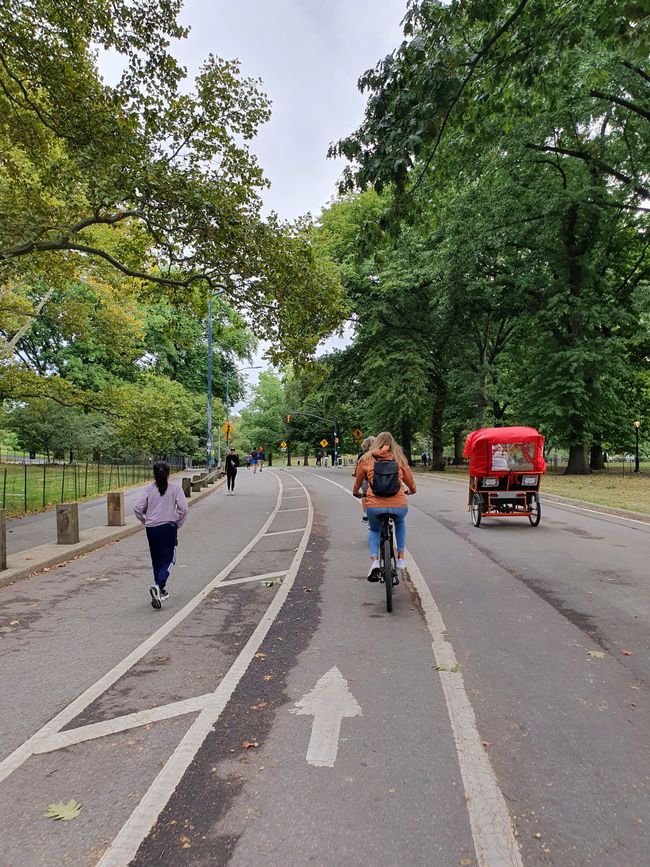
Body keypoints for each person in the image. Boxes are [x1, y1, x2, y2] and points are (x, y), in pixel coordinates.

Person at [353, 431, 416, 581]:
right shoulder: (399, 458)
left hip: (374, 505)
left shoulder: (366, 458)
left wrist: (356, 492)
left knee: (375, 530)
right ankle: (400, 557)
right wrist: (412, 490)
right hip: (398, 505)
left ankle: (375, 562)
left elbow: (358, 481)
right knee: (400, 522)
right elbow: (409, 480)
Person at [134, 460, 188, 609]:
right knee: (169, 559)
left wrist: (144, 520)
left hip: (151, 528)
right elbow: (183, 509)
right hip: (168, 526)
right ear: (169, 473)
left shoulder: (148, 489)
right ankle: (159, 584)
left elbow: (137, 508)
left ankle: (160, 590)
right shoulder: (175, 489)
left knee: (156, 558)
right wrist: (178, 524)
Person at [355, 436, 376, 524]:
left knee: (364, 495)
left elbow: (358, 469)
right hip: (376, 479)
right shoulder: (378, 454)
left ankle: (365, 514)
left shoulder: (361, 456)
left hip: (365, 479)